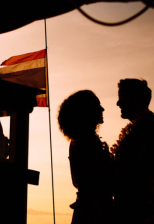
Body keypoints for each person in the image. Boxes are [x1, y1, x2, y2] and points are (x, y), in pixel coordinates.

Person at [112, 79, 154, 224]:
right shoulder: (140, 129)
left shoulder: (146, 131)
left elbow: (135, 174)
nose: (118, 103)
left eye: (122, 98)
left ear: (137, 99)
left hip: (138, 213)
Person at [58, 90, 113, 224]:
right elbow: (99, 179)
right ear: (88, 111)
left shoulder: (78, 141)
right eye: (98, 106)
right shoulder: (87, 143)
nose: (102, 109)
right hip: (95, 212)